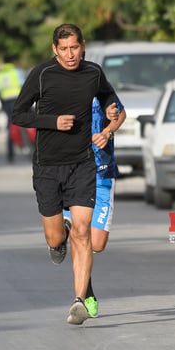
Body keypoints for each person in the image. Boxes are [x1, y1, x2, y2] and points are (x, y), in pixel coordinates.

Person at [11, 23, 119, 325]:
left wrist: (111, 112)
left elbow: (109, 96)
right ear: (54, 50)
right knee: (56, 235)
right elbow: (18, 114)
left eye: (75, 48)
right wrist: (51, 121)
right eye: (64, 49)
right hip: (47, 166)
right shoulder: (42, 74)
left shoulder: (93, 73)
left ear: (82, 46)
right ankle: (60, 239)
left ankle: (79, 300)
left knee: (84, 231)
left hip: (83, 164)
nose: (70, 55)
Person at [62, 96, 126, 318]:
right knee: (79, 234)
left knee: (97, 243)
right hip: (71, 171)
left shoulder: (99, 83)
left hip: (103, 172)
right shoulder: (59, 86)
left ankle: (85, 287)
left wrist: (108, 130)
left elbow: (121, 113)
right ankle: (83, 295)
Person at [0, 54, 27, 163]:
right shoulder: (17, 72)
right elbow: (24, 86)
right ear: (12, 62)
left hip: (6, 102)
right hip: (18, 100)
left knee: (10, 127)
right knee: (26, 122)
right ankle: (29, 147)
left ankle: (10, 154)